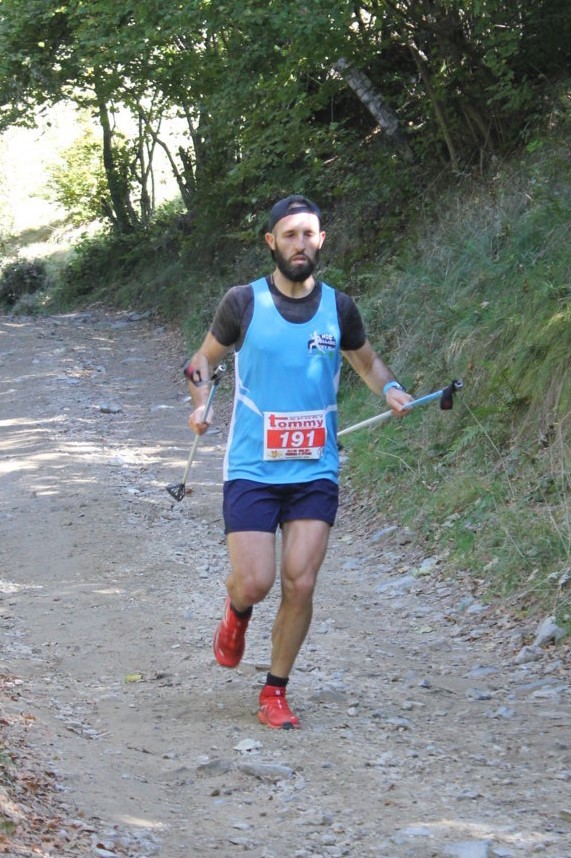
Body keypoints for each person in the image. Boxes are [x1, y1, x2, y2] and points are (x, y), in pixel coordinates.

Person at [186, 194, 413, 730]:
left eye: (309, 234)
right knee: (255, 581)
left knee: (301, 582)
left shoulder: (339, 308)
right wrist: (200, 404)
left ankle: (275, 690)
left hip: (314, 468)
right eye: (290, 235)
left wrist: (391, 390)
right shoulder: (242, 302)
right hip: (252, 467)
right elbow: (201, 362)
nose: (300, 244)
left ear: (321, 241)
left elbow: (368, 364)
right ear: (271, 242)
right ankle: (237, 611)